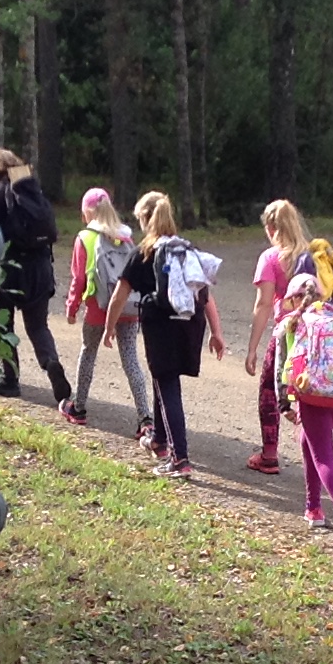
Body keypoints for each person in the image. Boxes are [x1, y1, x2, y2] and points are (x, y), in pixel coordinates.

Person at [245, 199, 333, 492]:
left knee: (270, 390)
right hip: (319, 336)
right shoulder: (317, 255)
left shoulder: (270, 258)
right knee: (327, 394)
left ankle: (269, 455)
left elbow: (263, 304)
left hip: (289, 335)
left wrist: (252, 348)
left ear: (271, 228)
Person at [101, 191, 225, 479]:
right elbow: (205, 295)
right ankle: (158, 439)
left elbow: (120, 295)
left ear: (146, 219)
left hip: (161, 325)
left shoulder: (144, 252)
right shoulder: (186, 249)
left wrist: (109, 327)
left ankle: (180, 458)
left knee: (167, 383)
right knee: (164, 377)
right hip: (190, 323)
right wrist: (216, 332)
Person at [271, 270, 333, 552]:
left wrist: (283, 403)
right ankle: (313, 508)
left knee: (323, 456)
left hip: (312, 393)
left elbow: (281, 367)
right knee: (308, 440)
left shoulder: (292, 324)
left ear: (294, 299)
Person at [61, 188, 154, 450]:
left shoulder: (85, 238)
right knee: (131, 360)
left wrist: (72, 307)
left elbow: (79, 279)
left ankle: (78, 407)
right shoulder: (126, 236)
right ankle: (145, 418)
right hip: (127, 308)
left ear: (87, 212)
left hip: (97, 308)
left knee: (88, 353)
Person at [0, 149, 69, 404]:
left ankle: (10, 380)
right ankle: (50, 362)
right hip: (40, 267)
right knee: (38, 326)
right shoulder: (33, 190)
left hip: (7, 270)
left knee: (3, 326)